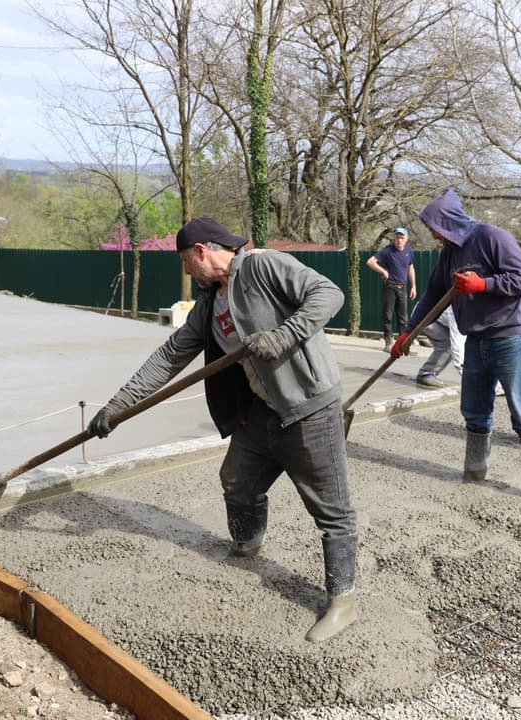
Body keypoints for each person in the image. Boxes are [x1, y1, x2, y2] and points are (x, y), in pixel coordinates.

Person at [88, 216, 359, 643]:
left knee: (331, 509)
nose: (186, 272)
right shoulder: (209, 305)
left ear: (201, 251)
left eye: (185, 262)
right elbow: (169, 356)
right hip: (262, 410)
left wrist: (284, 336)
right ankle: (247, 546)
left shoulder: (263, 266)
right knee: (237, 479)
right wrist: (119, 405)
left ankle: (343, 600)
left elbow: (329, 293)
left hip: (309, 407)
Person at [392, 189, 521, 511]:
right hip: (475, 341)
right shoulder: (450, 254)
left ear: (448, 221)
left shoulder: (493, 237)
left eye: (434, 227)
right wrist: (409, 331)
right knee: (475, 412)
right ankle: (474, 475)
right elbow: (432, 296)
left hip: (508, 337)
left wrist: (484, 285)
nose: (433, 234)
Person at [366, 227, 416, 353]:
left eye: (402, 238)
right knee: (388, 316)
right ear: (394, 238)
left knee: (403, 318)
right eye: (397, 237)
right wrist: (383, 271)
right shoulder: (387, 251)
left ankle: (403, 343)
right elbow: (370, 262)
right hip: (390, 287)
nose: (399, 240)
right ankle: (388, 342)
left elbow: (410, 268)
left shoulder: (409, 251)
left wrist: (413, 286)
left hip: (403, 288)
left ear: (406, 239)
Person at [415, 305, 464, 389]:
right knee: (447, 345)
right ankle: (426, 374)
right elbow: (457, 349)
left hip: (437, 317)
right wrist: (469, 378)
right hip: (423, 316)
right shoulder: (460, 314)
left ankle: (427, 372)